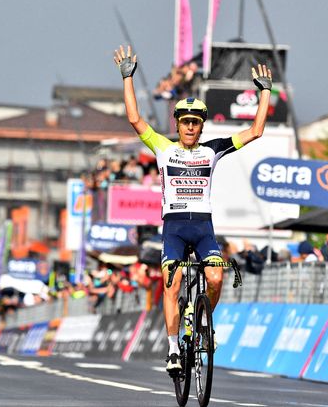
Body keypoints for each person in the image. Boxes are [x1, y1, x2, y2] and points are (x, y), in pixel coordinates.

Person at [113, 45, 272, 373]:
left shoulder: (213, 150)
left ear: (201, 126)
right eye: (184, 122)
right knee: (172, 281)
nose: (189, 127)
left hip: (203, 229)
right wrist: (128, 77)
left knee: (215, 278)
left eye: (194, 123)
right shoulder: (162, 147)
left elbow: (255, 131)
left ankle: (201, 321)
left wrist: (265, 93)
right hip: (172, 229)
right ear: (178, 124)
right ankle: (173, 350)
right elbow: (134, 118)